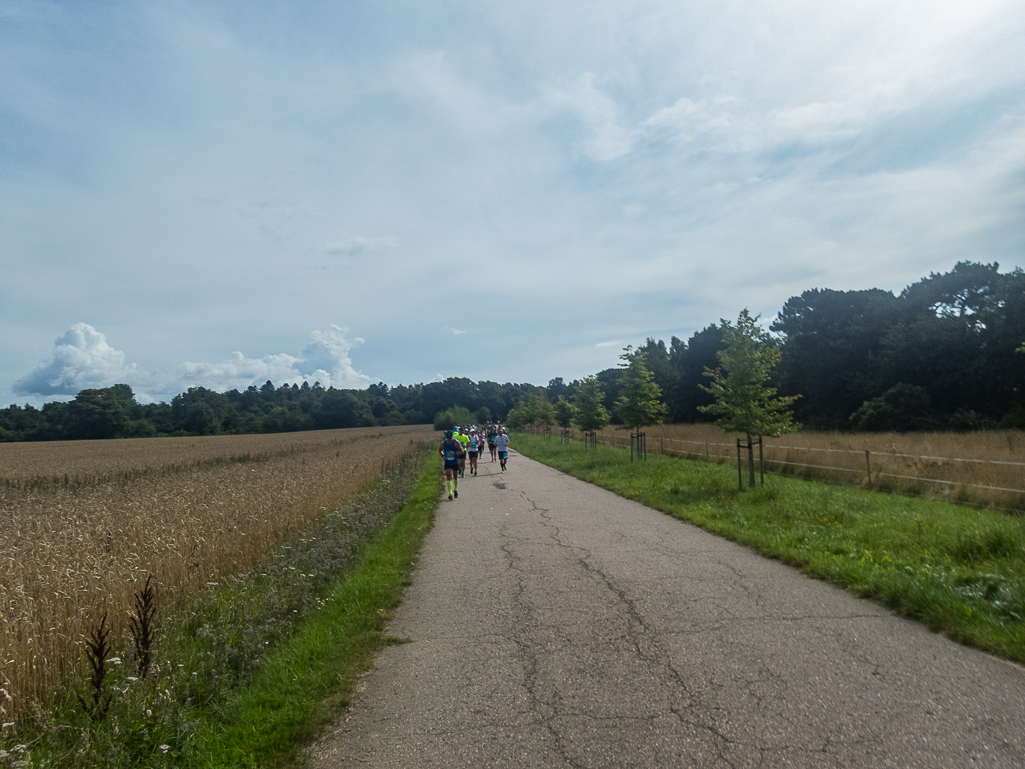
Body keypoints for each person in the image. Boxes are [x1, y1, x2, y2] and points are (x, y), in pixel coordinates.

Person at [439, 430, 465, 499]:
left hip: (455, 461)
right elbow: (440, 450)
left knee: (455, 476)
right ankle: (450, 493)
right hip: (447, 462)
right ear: (446, 437)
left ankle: (455, 490)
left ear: (452, 437)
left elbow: (462, 451)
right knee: (448, 476)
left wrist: (455, 453)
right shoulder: (443, 443)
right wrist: (443, 456)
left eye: (450, 438)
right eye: (448, 438)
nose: (449, 440)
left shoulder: (456, 442)